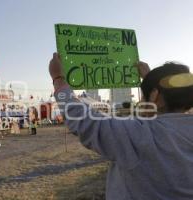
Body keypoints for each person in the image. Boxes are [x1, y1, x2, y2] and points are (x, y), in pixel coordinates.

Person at [49, 53, 193, 200]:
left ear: (155, 96)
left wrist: (58, 80)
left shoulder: (140, 135)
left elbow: (83, 120)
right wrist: (150, 81)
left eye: (145, 95)